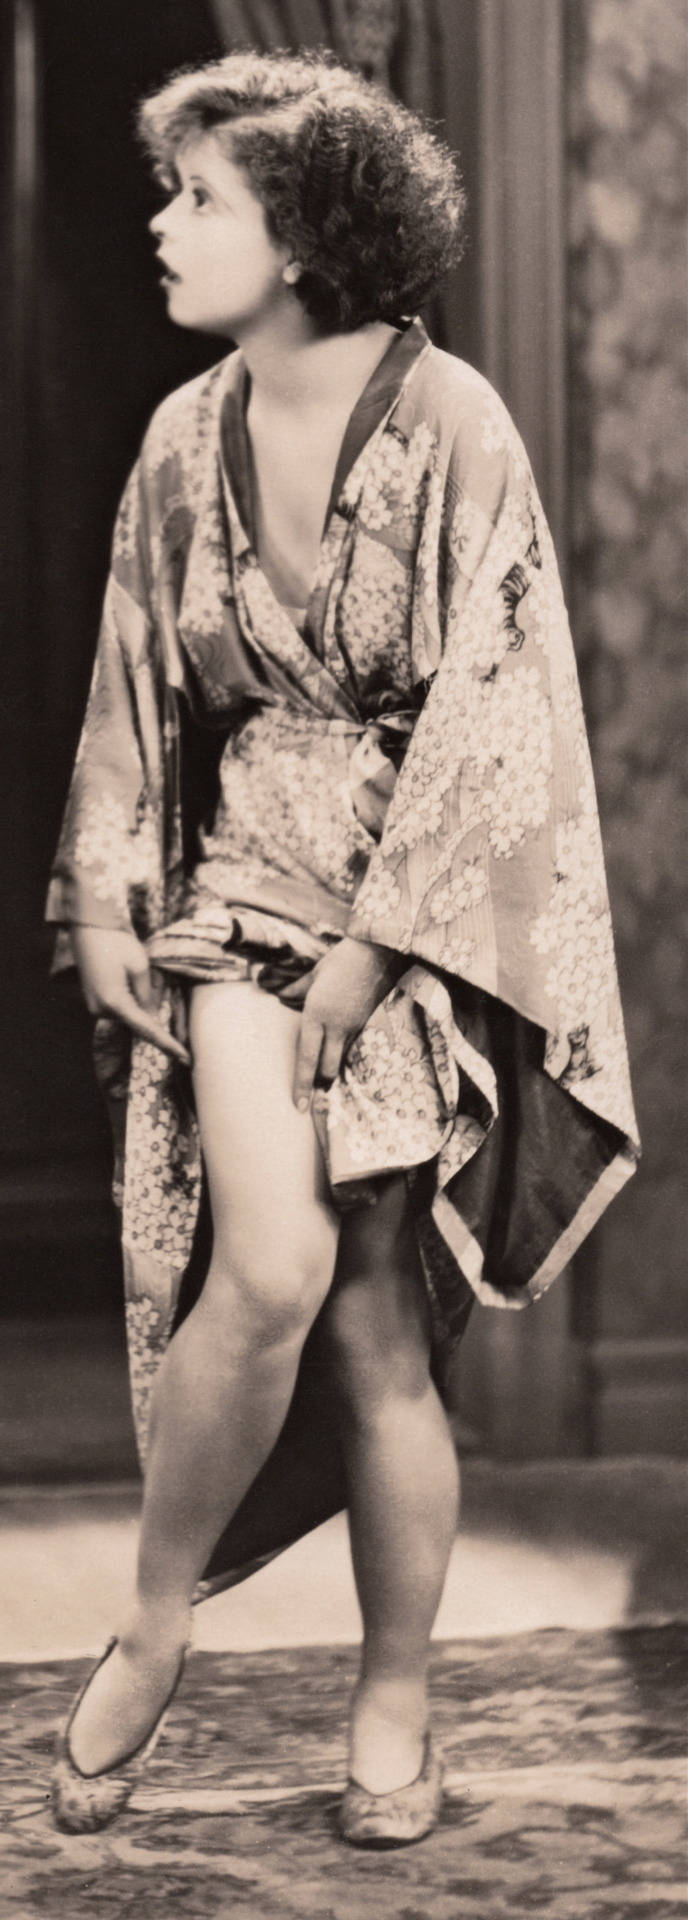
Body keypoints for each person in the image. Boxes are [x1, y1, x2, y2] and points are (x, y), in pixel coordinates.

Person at [46, 50, 639, 1847]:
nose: (164, 227)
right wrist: (101, 894)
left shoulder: (454, 420)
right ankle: (157, 1624)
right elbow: (133, 677)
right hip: (246, 887)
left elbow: (501, 705)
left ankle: (396, 1701)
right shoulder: (182, 436)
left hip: (419, 908)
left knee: (380, 1324)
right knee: (279, 1262)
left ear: (303, 233)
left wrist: (387, 944)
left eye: (201, 198)